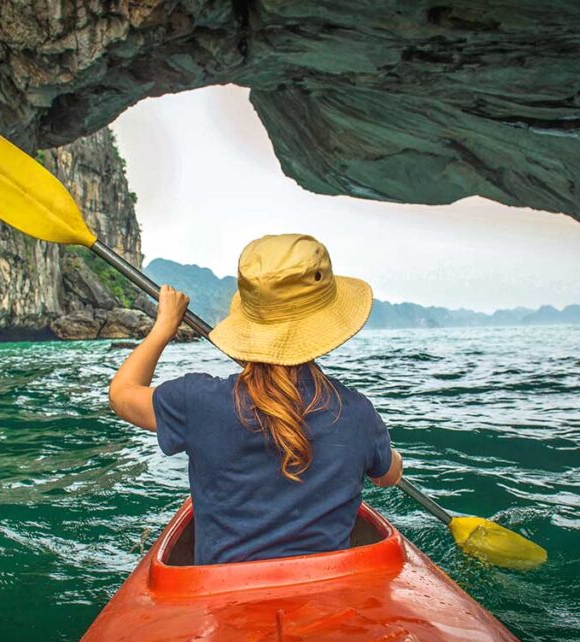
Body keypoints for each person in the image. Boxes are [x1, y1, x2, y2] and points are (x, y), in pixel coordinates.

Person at [109, 234, 403, 565]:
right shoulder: (358, 414)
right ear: (327, 322)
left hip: (222, 597)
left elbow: (121, 394)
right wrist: (378, 449)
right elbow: (388, 476)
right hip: (324, 589)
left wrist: (164, 327)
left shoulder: (196, 402)